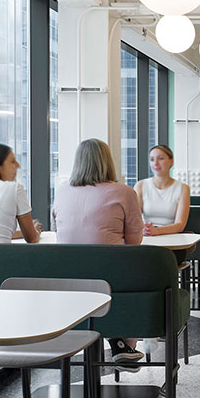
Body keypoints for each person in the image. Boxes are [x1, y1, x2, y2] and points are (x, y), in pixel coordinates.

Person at [52, 138, 144, 368]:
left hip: (64, 280)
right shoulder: (124, 192)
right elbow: (134, 242)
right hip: (108, 279)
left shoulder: (62, 191)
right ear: (108, 162)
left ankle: (115, 339)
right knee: (137, 272)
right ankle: (123, 340)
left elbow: (57, 231)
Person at [134, 145, 190, 236]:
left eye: (160, 159)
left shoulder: (183, 188)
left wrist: (157, 231)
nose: (155, 163)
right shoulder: (140, 185)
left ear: (171, 161)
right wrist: (145, 229)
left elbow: (180, 225)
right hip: (146, 235)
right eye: (152, 160)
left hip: (170, 236)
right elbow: (134, 218)